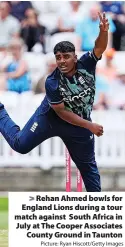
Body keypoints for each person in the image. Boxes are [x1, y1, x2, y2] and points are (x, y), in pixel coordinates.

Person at [0, 12, 109, 192]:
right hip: (50, 119)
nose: (62, 61)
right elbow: (62, 112)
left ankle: (96, 211)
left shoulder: (86, 64)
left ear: (75, 57)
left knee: (89, 169)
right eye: (58, 57)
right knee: (20, 145)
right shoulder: (52, 82)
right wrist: (90, 126)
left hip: (78, 124)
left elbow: (99, 47)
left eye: (66, 56)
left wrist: (103, 31)